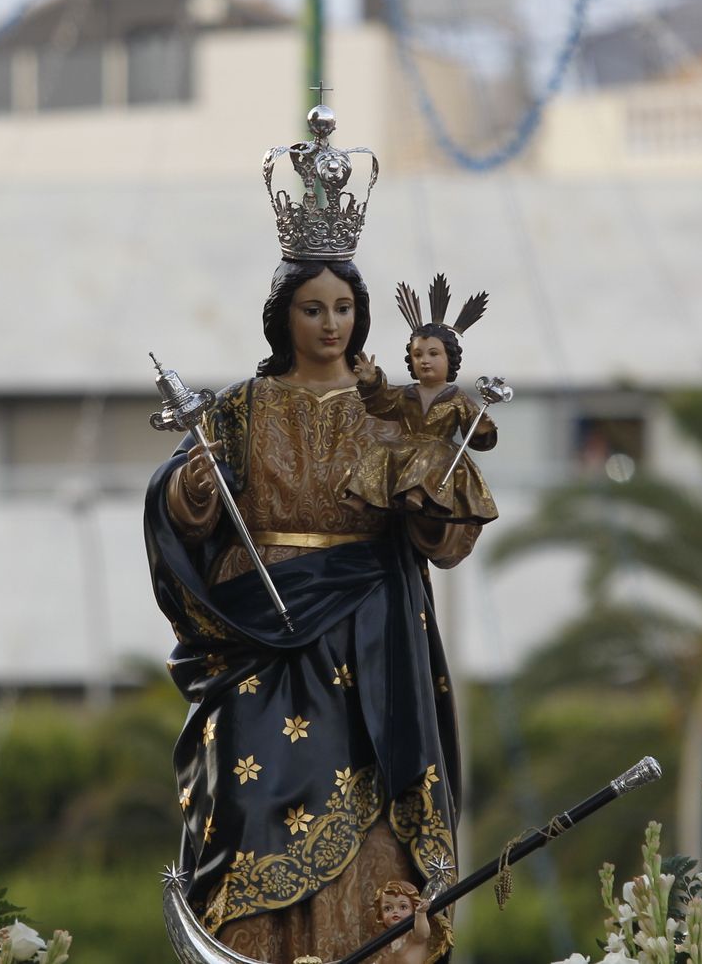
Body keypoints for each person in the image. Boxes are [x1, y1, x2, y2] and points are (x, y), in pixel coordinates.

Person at [144, 104, 481, 964]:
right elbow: (184, 497)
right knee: (252, 808)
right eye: (312, 308)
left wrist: (431, 497)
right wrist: (191, 490)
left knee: (373, 817)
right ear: (283, 315)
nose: (330, 324)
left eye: (343, 307)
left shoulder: (390, 412)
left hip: (370, 640)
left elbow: (441, 535)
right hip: (260, 639)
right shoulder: (240, 409)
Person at [346, 275, 498, 524]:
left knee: (432, 453)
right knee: (380, 448)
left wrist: (482, 429)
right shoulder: (407, 393)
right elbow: (381, 403)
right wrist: (371, 381)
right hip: (406, 445)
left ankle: (417, 492)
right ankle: (360, 495)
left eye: (433, 354)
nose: (425, 360)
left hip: (440, 450)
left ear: (450, 359)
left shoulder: (458, 398)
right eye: (418, 355)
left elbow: (474, 435)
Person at [371, 880, 449, 964]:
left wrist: (420, 913)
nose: (395, 911)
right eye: (388, 908)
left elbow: (424, 934)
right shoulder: (387, 939)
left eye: (403, 907)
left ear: (414, 908)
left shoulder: (414, 934)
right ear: (381, 913)